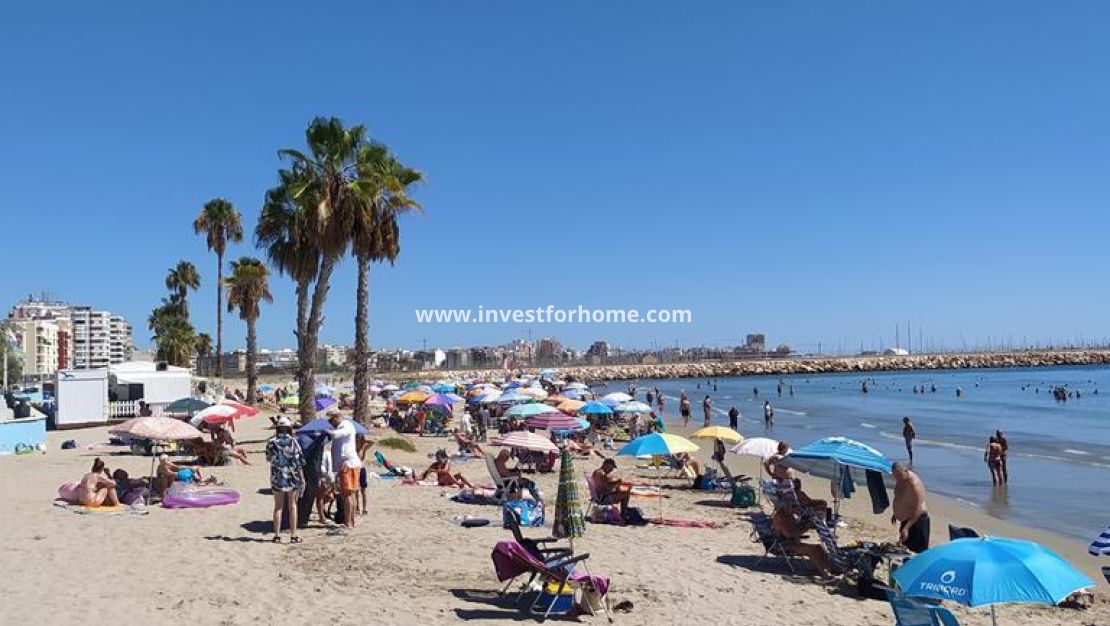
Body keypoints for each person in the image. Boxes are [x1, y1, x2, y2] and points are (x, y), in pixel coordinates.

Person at [265, 416, 305, 544]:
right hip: (292, 476)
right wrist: (302, 478)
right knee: (293, 505)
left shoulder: (271, 442)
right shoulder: (294, 442)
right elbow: (299, 462)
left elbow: (269, 459)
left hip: (277, 477)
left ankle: (277, 535)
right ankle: (293, 535)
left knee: (278, 507)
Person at [772, 501, 832, 578]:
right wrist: (805, 529)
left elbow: (795, 529)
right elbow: (789, 534)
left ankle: (825, 568)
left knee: (818, 547)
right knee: (811, 550)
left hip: (791, 542)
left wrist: (806, 525)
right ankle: (824, 574)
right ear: (786, 507)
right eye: (793, 507)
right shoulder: (781, 517)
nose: (795, 509)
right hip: (783, 546)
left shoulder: (789, 515)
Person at [326, 410, 362, 529]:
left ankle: (348, 522)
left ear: (336, 417)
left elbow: (339, 434)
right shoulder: (343, 426)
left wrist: (328, 431)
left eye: (331, 419)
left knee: (347, 495)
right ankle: (350, 521)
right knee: (349, 495)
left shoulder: (346, 425)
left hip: (348, 464)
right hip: (347, 464)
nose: (331, 422)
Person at [891, 462, 929, 553]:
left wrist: (907, 527)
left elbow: (919, 508)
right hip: (906, 519)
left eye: (899, 475)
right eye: (895, 476)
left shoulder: (913, 484)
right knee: (904, 550)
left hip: (917, 521)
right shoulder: (901, 479)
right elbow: (901, 497)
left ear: (905, 470)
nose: (898, 478)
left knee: (917, 552)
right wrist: (895, 513)